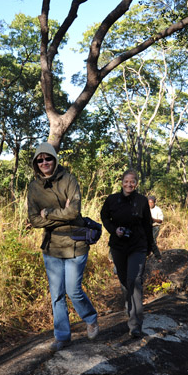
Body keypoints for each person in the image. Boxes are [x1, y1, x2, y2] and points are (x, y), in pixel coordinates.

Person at [27, 142, 99, 352]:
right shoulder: (33, 187)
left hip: (75, 243)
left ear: (54, 159)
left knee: (73, 290)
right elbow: (33, 220)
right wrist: (59, 213)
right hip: (52, 247)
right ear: (35, 163)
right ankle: (63, 336)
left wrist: (47, 213)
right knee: (56, 294)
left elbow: (74, 213)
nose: (44, 163)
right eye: (39, 160)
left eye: (47, 158)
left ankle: (90, 317)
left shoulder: (69, 179)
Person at [100, 169, 153, 338]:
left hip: (138, 245)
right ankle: (129, 306)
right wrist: (114, 230)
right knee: (124, 281)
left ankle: (135, 323)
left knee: (134, 280)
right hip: (118, 246)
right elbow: (104, 216)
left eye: (133, 181)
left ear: (136, 183)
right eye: (126, 181)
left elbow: (147, 225)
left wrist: (150, 247)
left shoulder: (142, 201)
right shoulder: (112, 200)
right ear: (121, 182)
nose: (129, 184)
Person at [148, 195, 163, 260]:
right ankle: (148, 253)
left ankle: (155, 254)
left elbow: (160, 220)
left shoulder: (158, 209)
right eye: (149, 202)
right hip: (148, 226)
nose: (150, 204)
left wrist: (153, 219)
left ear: (154, 202)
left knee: (153, 240)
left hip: (155, 226)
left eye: (152, 202)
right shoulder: (146, 208)